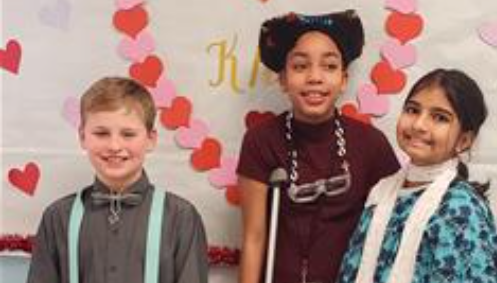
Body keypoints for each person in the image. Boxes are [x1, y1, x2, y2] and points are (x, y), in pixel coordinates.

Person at [236, 9, 401, 283]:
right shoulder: (260, 140)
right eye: (300, 66)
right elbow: (254, 237)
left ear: (344, 79)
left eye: (329, 66)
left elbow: (392, 231)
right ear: (283, 80)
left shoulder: (371, 145)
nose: (315, 77)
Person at [337, 69, 497, 283]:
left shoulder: (459, 208)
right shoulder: (381, 194)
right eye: (412, 110)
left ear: (464, 140)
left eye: (439, 118)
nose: (419, 125)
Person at [27, 77, 209, 283]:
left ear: (151, 139)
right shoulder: (57, 218)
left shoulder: (181, 218)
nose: (114, 145)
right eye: (101, 133)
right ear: (82, 137)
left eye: (128, 134)